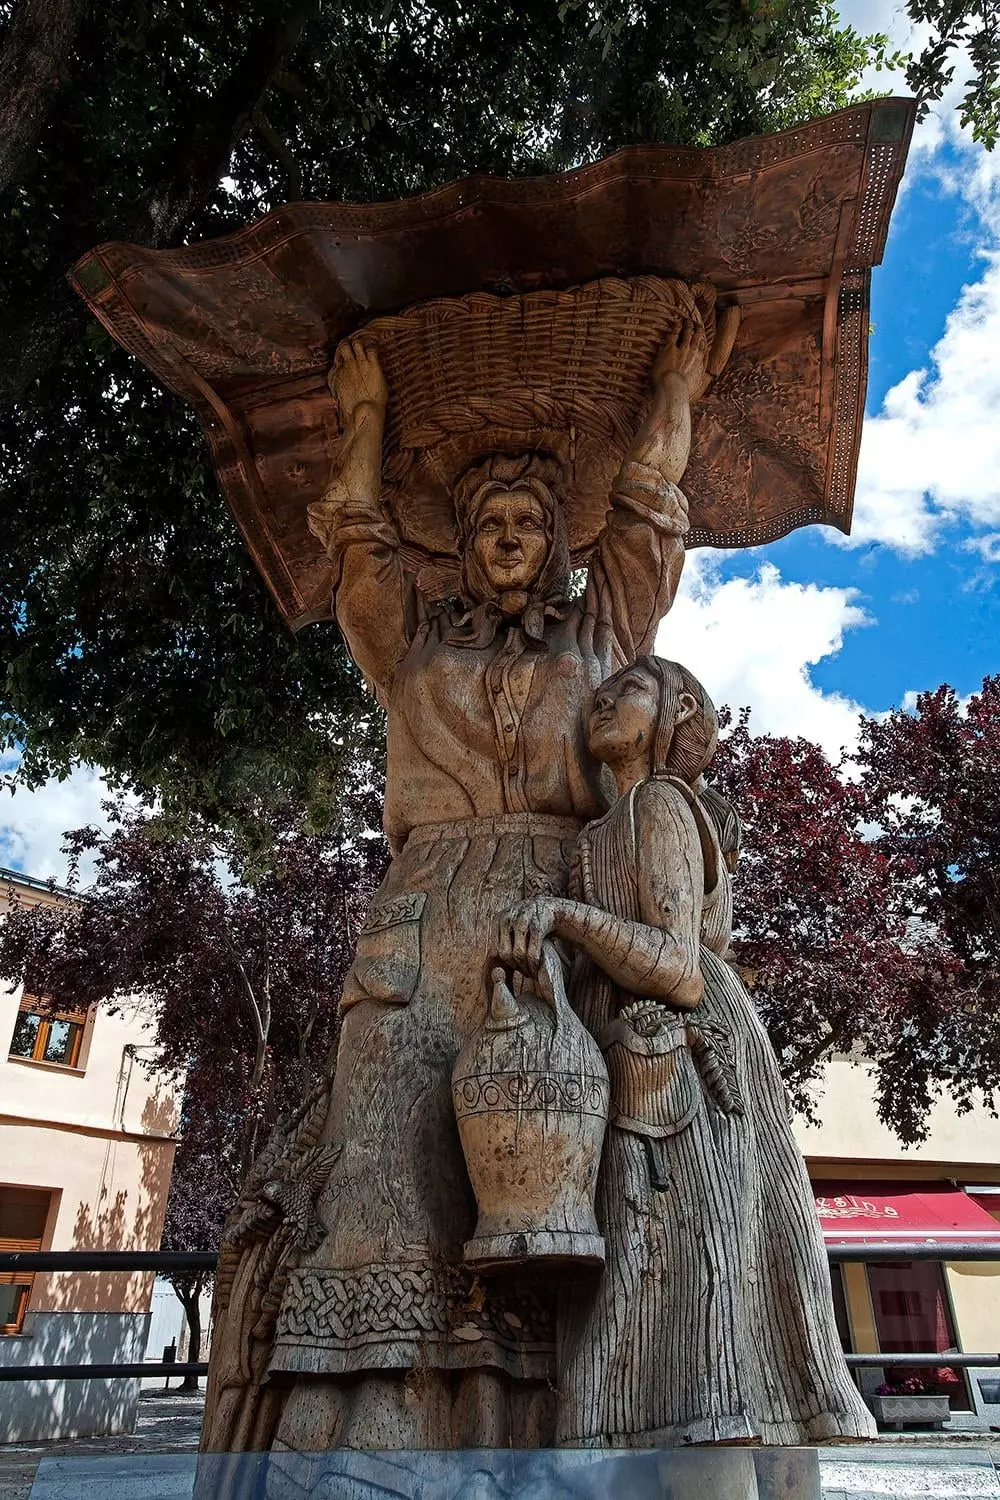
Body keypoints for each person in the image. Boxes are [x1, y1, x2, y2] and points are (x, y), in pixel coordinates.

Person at [256, 318, 710, 1461]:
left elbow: (652, 512)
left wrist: (675, 389)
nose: (508, 539)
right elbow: (356, 546)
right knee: (385, 1167)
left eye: (528, 525)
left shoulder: (603, 633)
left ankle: (550, 1438)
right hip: (418, 921)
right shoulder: (407, 643)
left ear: (558, 546)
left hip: (554, 916)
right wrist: (361, 422)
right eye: (487, 526)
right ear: (459, 548)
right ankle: (359, 1440)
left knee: (545, 1189)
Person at [498, 656, 877, 1447]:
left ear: (677, 715)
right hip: (626, 1047)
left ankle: (703, 1444)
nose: (603, 699)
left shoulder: (662, 804)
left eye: (629, 690)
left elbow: (675, 968)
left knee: (687, 1261)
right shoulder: (596, 836)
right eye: (598, 694)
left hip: (689, 1064)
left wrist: (565, 920)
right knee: (645, 1264)